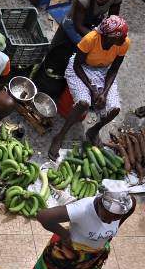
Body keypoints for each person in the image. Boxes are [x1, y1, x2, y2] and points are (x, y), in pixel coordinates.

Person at [19, 190, 134, 269]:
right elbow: (43, 216)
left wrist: (107, 237)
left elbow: (121, 216)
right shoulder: (82, 210)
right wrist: (64, 235)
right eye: (106, 217)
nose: (109, 222)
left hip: (91, 256)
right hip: (67, 252)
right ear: (100, 204)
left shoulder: (127, 205)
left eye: (115, 218)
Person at [47, 15, 129, 160]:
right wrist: (92, 90)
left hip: (103, 71)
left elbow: (114, 69)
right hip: (80, 68)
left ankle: (94, 130)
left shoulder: (124, 43)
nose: (125, 38)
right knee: (84, 103)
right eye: (121, 36)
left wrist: (103, 92)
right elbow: (77, 65)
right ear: (110, 37)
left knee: (115, 109)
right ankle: (59, 137)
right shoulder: (91, 39)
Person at [43, 0, 122, 78]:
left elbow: (112, 20)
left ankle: (69, 74)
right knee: (59, 49)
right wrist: (97, 40)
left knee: (88, 53)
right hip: (72, 23)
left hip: (93, 21)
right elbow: (78, 25)